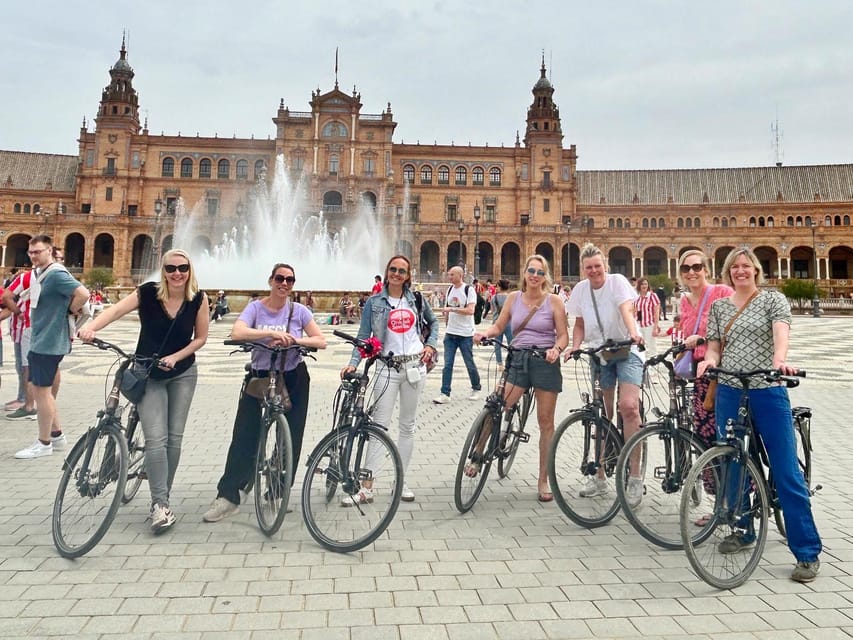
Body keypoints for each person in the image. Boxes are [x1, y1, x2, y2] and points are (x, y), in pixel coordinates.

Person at [696, 247, 822, 583]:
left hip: (767, 387)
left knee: (784, 470)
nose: (740, 271)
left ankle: (807, 551)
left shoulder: (772, 300)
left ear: (756, 270)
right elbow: (714, 345)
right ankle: (743, 530)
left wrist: (780, 360)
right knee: (734, 463)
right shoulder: (720, 307)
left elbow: (781, 331)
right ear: (728, 272)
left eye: (746, 266)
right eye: (734, 267)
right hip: (730, 389)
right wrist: (709, 359)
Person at [80, 249, 208, 532]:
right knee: (156, 438)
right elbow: (114, 311)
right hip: (147, 373)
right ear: (163, 270)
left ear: (190, 270)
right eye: (171, 268)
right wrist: (91, 328)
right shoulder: (148, 293)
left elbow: (201, 338)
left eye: (183, 268)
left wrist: (176, 357)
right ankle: (158, 504)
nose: (177, 273)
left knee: (174, 438)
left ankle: (162, 501)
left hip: (183, 373)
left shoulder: (198, 297)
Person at [204, 263, 327, 523]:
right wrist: (269, 333)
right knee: (244, 433)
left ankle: (277, 492)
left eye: (290, 280)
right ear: (271, 280)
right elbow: (238, 332)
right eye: (280, 278)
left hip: (293, 376)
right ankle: (229, 496)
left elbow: (320, 340)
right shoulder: (256, 308)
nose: (284, 284)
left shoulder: (299, 311)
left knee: (290, 436)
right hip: (260, 376)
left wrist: (296, 340)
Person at [340, 255, 439, 503]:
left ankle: (401, 481)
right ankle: (367, 486)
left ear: (408, 275)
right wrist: (353, 364)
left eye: (401, 271)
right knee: (377, 427)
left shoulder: (416, 299)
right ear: (387, 272)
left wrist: (430, 345)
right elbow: (363, 337)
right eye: (393, 269)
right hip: (386, 368)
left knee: (407, 426)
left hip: (414, 367)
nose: (396, 274)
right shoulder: (374, 302)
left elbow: (434, 322)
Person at [474, 255, 569, 501]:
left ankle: (543, 480)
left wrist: (556, 350)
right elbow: (499, 325)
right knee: (496, 405)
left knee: (545, 422)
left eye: (539, 272)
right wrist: (486, 333)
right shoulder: (514, 298)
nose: (535, 276)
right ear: (524, 273)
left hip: (545, 362)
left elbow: (563, 336)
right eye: (531, 271)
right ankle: (477, 451)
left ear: (544, 276)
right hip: (518, 358)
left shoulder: (554, 301)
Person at [564, 243, 644, 504]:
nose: (594, 271)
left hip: (626, 349)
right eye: (589, 267)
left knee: (629, 407)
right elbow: (579, 324)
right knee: (602, 415)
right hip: (599, 354)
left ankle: (634, 478)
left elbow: (626, 309)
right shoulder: (580, 290)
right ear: (583, 269)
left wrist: (633, 332)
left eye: (598, 266)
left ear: (605, 266)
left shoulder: (617, 282)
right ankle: (599, 476)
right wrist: (575, 347)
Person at [15, 237, 88, 460]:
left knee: (41, 392)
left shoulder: (56, 274)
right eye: (31, 252)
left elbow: (83, 294)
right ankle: (56, 435)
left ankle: (43, 442)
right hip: (42, 339)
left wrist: (70, 310)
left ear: (49, 250)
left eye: (38, 252)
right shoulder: (41, 273)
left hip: (49, 341)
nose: (33, 256)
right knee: (41, 391)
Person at [676, 250, 733, 464]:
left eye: (696, 267)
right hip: (700, 376)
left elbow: (733, 328)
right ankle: (717, 488)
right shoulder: (684, 301)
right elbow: (686, 333)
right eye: (685, 268)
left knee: (726, 433)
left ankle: (741, 489)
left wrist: (705, 338)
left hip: (723, 373)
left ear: (706, 270)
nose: (691, 272)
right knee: (703, 435)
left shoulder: (722, 292)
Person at [433, 265, 482, 404]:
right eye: (449, 274)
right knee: (447, 364)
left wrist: (452, 309)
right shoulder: (449, 289)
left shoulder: (469, 290)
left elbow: (471, 310)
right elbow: (448, 310)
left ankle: (476, 388)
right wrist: (447, 324)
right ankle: (445, 393)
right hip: (451, 333)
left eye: (452, 274)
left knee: (469, 363)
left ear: (460, 275)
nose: (449, 277)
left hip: (465, 334)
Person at [634, 277, 661, 354]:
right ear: (639, 285)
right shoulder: (636, 297)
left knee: (652, 347)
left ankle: (654, 364)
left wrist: (655, 327)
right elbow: (635, 311)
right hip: (639, 325)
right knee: (639, 347)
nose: (644, 286)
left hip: (649, 325)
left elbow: (656, 312)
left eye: (645, 284)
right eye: (642, 284)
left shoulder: (652, 296)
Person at [489, 279, 513, 368]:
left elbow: (492, 311)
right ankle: (510, 362)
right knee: (511, 344)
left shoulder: (494, 298)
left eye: (497, 286)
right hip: (509, 323)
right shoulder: (511, 297)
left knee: (497, 344)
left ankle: (500, 364)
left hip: (497, 323)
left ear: (500, 287)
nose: (496, 288)